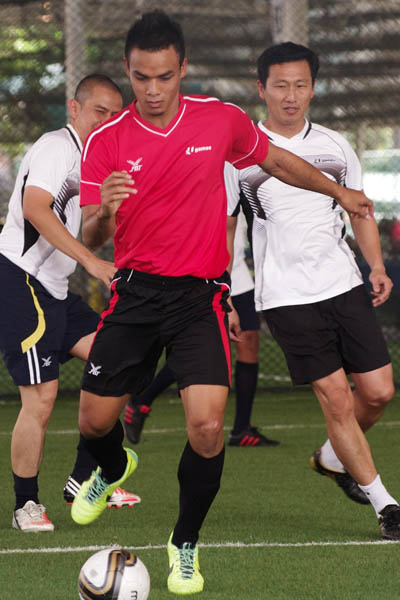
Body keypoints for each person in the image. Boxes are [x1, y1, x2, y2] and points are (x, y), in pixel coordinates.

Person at [70, 11, 372, 596]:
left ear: (182, 68)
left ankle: (184, 543)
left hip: (200, 297)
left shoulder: (220, 120)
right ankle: (112, 468)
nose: (153, 91)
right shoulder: (106, 142)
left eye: (163, 76)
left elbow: (276, 160)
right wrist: (103, 207)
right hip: (134, 295)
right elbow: (91, 239)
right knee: (93, 422)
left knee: (207, 428)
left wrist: (340, 191)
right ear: (129, 74)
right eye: (140, 78)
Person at [225, 42, 400, 541]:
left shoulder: (336, 146)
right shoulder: (239, 156)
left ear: (314, 89)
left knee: (379, 392)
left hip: (343, 284)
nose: (290, 95)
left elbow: (358, 210)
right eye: (280, 85)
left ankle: (330, 457)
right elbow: (228, 231)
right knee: (337, 400)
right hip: (284, 295)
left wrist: (376, 265)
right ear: (261, 89)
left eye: (301, 85)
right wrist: (227, 291)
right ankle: (386, 506)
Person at [0, 74, 139, 533]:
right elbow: (37, 207)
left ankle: (84, 477)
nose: (108, 121)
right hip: (21, 281)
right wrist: (94, 264)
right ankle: (26, 505)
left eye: (116, 114)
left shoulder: (97, 160)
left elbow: (93, 230)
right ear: (74, 109)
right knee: (41, 397)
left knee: (114, 364)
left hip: (55, 290)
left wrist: (108, 209)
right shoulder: (56, 146)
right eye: (100, 111)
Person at [122, 212, 280, 447]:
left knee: (249, 342)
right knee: (200, 349)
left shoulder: (242, 174)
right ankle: (141, 401)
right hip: (207, 270)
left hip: (236, 269)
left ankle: (241, 429)